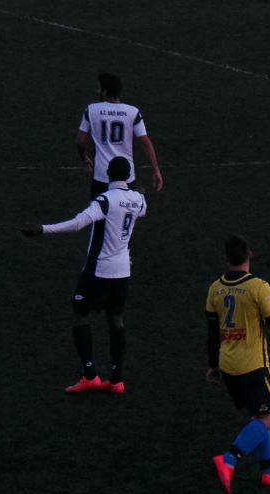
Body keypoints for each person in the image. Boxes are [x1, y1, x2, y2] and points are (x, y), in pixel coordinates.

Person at [21, 157, 147, 394]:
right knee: (116, 317)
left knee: (79, 314)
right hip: (123, 271)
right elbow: (141, 206)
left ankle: (90, 375)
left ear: (108, 174)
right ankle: (117, 379)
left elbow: (78, 223)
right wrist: (139, 191)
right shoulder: (138, 200)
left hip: (99, 269)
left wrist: (43, 230)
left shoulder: (105, 200)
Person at [206, 235, 270, 494]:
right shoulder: (258, 287)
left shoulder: (215, 289)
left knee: (258, 415)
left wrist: (213, 366)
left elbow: (212, 334)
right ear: (249, 255)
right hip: (252, 367)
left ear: (226, 258)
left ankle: (269, 471)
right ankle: (229, 459)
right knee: (268, 417)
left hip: (228, 366)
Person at [76, 73, 163, 200]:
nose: (97, 91)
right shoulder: (133, 112)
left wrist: (84, 158)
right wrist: (156, 169)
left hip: (102, 175)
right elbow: (145, 142)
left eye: (99, 88)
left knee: (98, 211)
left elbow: (80, 140)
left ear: (105, 91)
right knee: (123, 211)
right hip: (126, 175)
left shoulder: (91, 110)